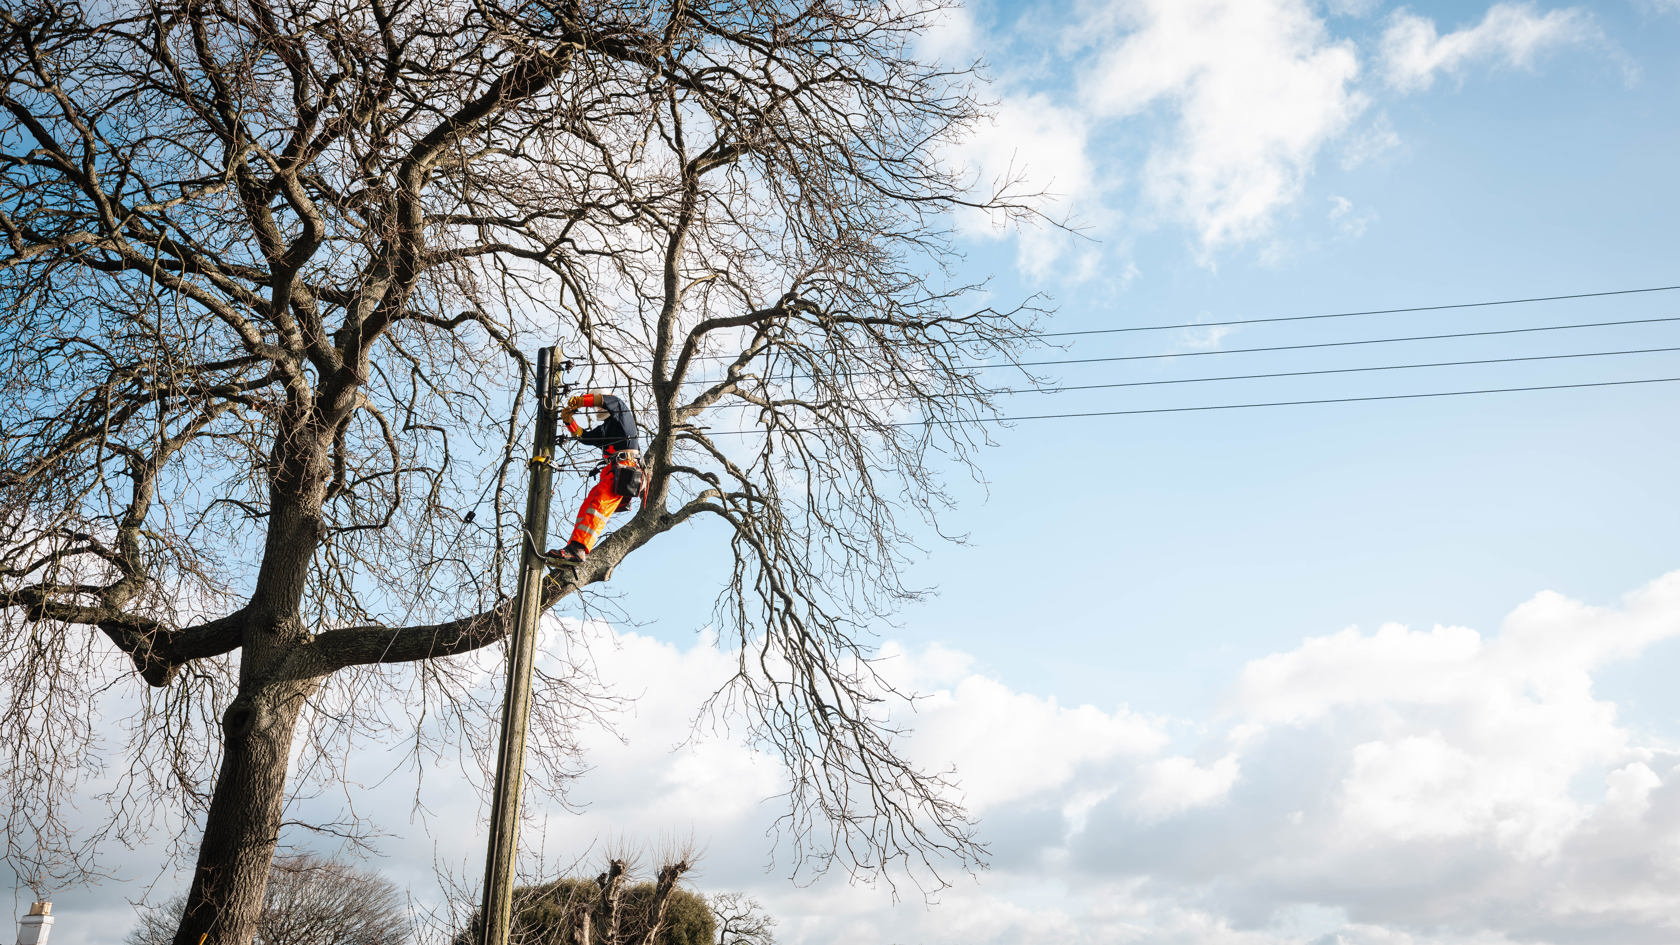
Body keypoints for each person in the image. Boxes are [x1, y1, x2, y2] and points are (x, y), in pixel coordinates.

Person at [549, 391, 644, 565]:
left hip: (625, 470)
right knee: (589, 505)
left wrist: (580, 401)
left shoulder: (620, 411)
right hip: (613, 471)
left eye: (598, 405)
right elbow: (585, 437)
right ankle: (573, 548)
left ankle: (578, 550)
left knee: (598, 507)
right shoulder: (606, 427)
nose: (597, 407)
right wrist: (569, 422)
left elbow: (606, 400)